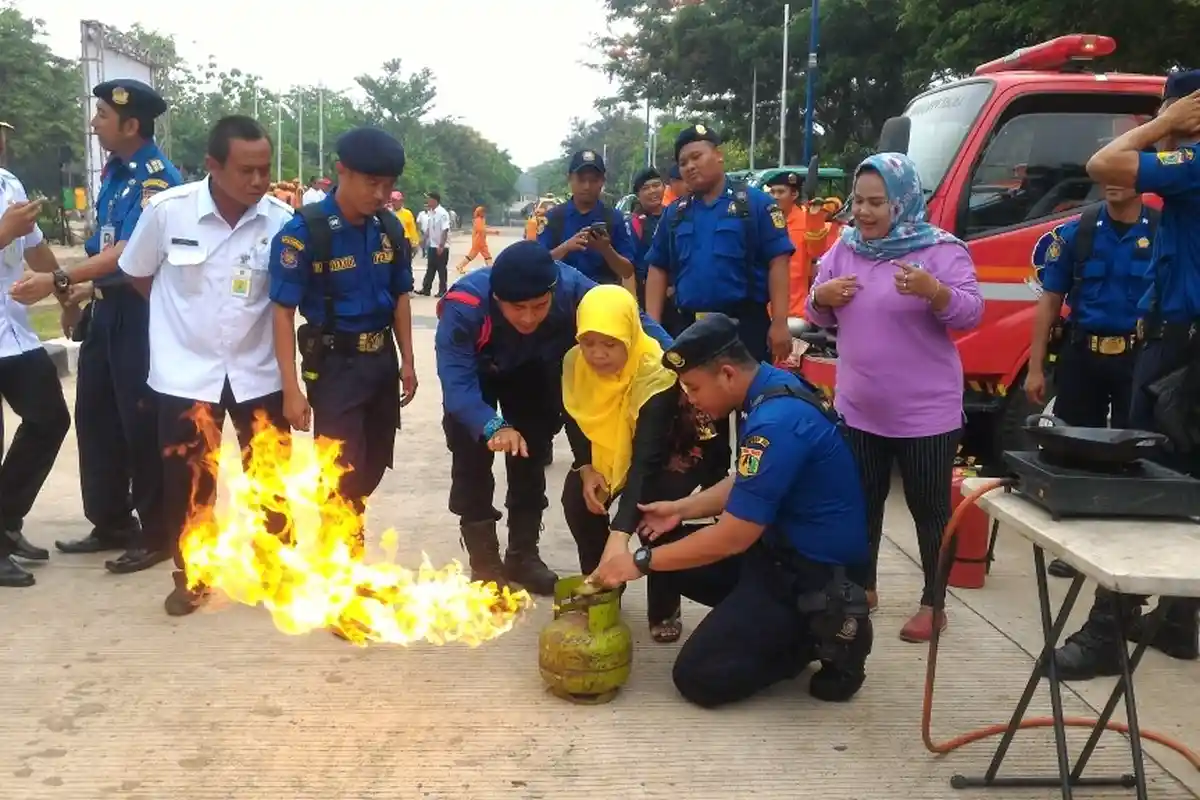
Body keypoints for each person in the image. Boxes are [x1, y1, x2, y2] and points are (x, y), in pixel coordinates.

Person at [589, 313, 873, 708]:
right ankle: (754, 623)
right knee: (666, 537)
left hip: (808, 577)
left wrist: (638, 562)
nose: (689, 399)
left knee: (698, 679)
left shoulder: (776, 422)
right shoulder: (768, 388)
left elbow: (733, 536)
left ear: (726, 374)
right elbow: (746, 479)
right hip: (774, 555)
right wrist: (680, 508)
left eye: (693, 387)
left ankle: (822, 632)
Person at [1049, 72, 1200, 680]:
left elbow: (1102, 163)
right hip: (1179, 342)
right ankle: (1180, 619)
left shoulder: (1189, 159)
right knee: (1188, 480)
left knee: (1150, 484)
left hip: (1181, 346)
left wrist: (1165, 126)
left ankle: (1108, 631)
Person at [118, 116, 294, 615]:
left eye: (265, 170)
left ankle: (277, 568)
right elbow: (137, 274)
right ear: (213, 166)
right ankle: (192, 575)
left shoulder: (281, 220)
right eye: (246, 171)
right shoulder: (167, 212)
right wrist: (180, 326)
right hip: (185, 374)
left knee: (271, 479)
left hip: (258, 372)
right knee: (189, 484)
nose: (258, 182)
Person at [806, 152, 983, 642]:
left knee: (929, 510)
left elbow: (971, 313)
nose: (863, 212)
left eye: (876, 202)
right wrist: (823, 299)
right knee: (861, 503)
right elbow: (815, 310)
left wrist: (935, 292)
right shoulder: (845, 248)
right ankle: (864, 585)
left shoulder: (940, 251)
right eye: (858, 201)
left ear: (902, 201)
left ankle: (934, 602)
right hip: (859, 406)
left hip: (925, 413)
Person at [434, 240, 670, 596]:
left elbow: (635, 321)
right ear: (496, 298)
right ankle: (484, 565)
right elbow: (456, 385)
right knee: (471, 461)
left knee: (531, 457)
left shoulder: (572, 287)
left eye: (539, 306)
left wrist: (681, 359)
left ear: (552, 292)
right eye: (517, 308)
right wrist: (493, 426)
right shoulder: (465, 307)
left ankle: (522, 555)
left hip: (533, 371)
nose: (529, 317)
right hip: (478, 377)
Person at [12, 79, 182, 572]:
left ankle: (157, 533)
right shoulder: (114, 172)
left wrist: (58, 277)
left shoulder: (156, 180)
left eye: (102, 115)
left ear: (131, 125)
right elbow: (102, 249)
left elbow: (131, 251)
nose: (94, 123)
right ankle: (110, 521)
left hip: (140, 314)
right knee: (96, 418)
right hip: (106, 309)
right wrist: (82, 291)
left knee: (140, 422)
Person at [268, 126, 417, 548]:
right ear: (342, 172)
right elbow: (282, 312)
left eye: (388, 185)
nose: (381, 194)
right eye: (373, 183)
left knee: (371, 466)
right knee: (340, 469)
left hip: (380, 364)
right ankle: (341, 572)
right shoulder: (306, 233)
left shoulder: (388, 228)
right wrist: (290, 389)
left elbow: (400, 297)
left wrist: (408, 360)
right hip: (335, 367)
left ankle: (344, 537)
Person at [561, 284, 725, 642]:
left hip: (673, 451)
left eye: (609, 344)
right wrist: (586, 468)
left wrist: (620, 534)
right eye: (588, 342)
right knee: (577, 498)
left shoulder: (655, 374)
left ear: (630, 336)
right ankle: (603, 582)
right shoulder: (574, 363)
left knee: (655, 514)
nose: (597, 355)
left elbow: (647, 461)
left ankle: (665, 605)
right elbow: (574, 419)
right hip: (610, 450)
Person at [1025, 180, 1158, 579]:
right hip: (1083, 355)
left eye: (1124, 173)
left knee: (1134, 450)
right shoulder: (1075, 233)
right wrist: (1034, 368)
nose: (1114, 183)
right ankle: (1076, 548)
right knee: (1077, 449)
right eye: (1108, 174)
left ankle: (1127, 544)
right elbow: (1049, 302)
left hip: (1138, 357)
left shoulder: (1163, 231)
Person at [643, 123, 795, 365]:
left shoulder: (755, 205)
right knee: (692, 400)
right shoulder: (675, 214)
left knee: (746, 399)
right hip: (689, 329)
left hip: (742, 329)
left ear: (718, 155)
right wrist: (651, 328)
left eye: (696, 157)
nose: (690, 166)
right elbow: (657, 268)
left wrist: (779, 322)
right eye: (683, 163)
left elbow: (778, 262)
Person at [0, 167, 72, 588]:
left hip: (13, 332)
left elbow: (36, 248)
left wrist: (64, 292)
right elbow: (12, 234)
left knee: (50, 420)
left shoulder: (8, 183)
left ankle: (6, 520)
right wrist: (3, 231)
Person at [537, 150, 636, 287]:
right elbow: (538, 265)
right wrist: (566, 247)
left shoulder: (614, 219)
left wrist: (606, 249)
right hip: (561, 299)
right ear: (570, 178)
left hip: (602, 298)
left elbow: (627, 271)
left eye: (593, 180)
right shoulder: (553, 218)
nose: (587, 186)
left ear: (602, 181)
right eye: (581, 180)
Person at [764, 170, 812, 317]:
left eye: (780, 192)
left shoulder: (808, 222)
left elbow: (818, 254)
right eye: (772, 192)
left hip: (796, 310)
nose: (775, 197)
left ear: (794, 195)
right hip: (765, 308)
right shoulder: (765, 222)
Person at [416, 190, 451, 297]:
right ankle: (426, 289)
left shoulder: (443, 213)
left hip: (441, 246)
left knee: (441, 269)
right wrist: (423, 239)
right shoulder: (431, 212)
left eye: (429, 199)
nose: (427, 201)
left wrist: (441, 245)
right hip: (432, 245)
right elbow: (429, 228)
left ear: (435, 200)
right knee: (430, 268)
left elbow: (445, 230)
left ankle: (442, 290)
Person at [455, 205, 498, 273]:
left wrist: (491, 231)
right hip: (478, 241)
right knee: (476, 255)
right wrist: (493, 232)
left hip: (481, 241)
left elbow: (483, 228)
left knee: (482, 255)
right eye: (483, 212)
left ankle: (490, 268)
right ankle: (460, 266)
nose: (484, 213)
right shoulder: (478, 220)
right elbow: (481, 230)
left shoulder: (482, 219)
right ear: (479, 212)